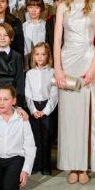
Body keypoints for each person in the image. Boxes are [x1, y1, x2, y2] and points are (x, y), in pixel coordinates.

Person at [54, 0, 95, 185]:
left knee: (87, 115)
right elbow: (57, 39)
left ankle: (84, 166)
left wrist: (94, 68)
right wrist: (57, 68)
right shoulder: (62, 6)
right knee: (69, 116)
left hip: (88, 61)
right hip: (67, 61)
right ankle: (70, 165)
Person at [25, 43, 58, 176]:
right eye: (37, 54)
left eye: (43, 54)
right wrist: (33, 110)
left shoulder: (53, 72)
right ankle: (36, 165)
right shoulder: (29, 73)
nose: (40, 57)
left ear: (48, 56)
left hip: (47, 107)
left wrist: (45, 111)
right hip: (34, 107)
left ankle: (46, 166)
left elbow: (54, 94)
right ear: (33, 56)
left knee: (47, 138)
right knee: (35, 138)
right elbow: (27, 94)